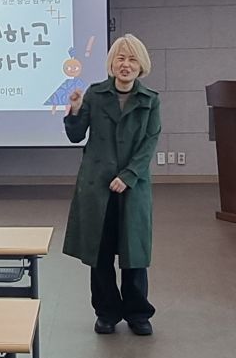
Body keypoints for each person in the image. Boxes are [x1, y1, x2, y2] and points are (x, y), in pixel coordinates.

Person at [62, 34, 162, 335]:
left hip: (133, 186)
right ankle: (106, 312)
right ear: (112, 63)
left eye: (132, 60)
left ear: (141, 66)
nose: (125, 65)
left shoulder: (150, 100)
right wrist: (75, 109)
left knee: (134, 254)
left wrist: (128, 176)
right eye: (120, 58)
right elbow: (76, 136)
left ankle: (137, 313)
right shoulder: (95, 94)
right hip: (97, 186)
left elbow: (149, 143)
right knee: (100, 253)